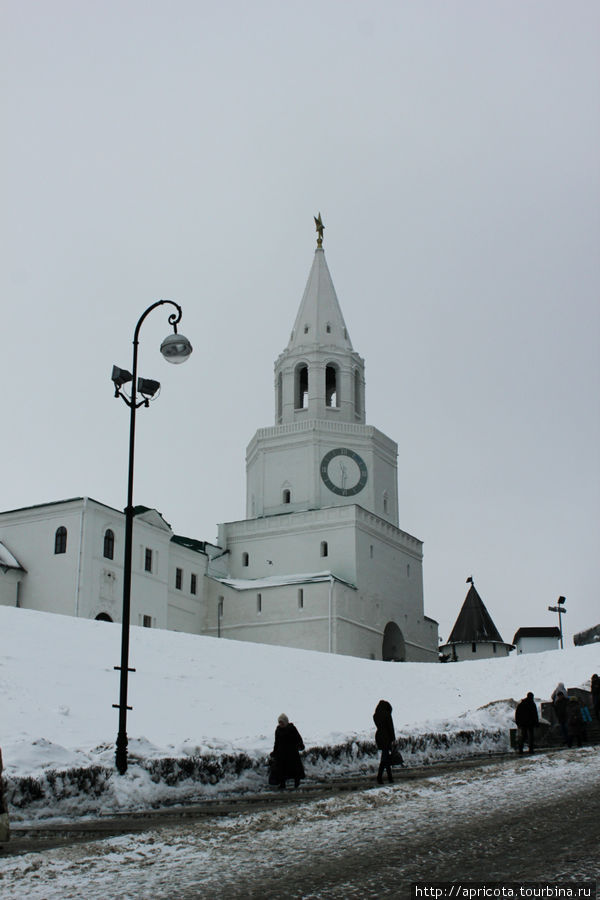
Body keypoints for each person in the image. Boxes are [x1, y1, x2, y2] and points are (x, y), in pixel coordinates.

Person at [270, 713, 305, 790]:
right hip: (281, 753)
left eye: (282, 722)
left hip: (292, 753)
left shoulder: (292, 728)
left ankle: (297, 782)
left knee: (294, 768)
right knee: (281, 769)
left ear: (286, 722)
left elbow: (298, 738)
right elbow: (276, 742)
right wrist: (275, 751)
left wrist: (300, 745)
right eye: (279, 722)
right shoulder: (278, 730)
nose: (280, 724)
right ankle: (282, 784)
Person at [373, 699, 395, 784]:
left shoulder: (375, 715)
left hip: (379, 736)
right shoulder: (387, 714)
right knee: (385, 758)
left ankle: (389, 778)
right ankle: (382, 778)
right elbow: (390, 727)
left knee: (385, 757)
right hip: (386, 737)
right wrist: (393, 739)